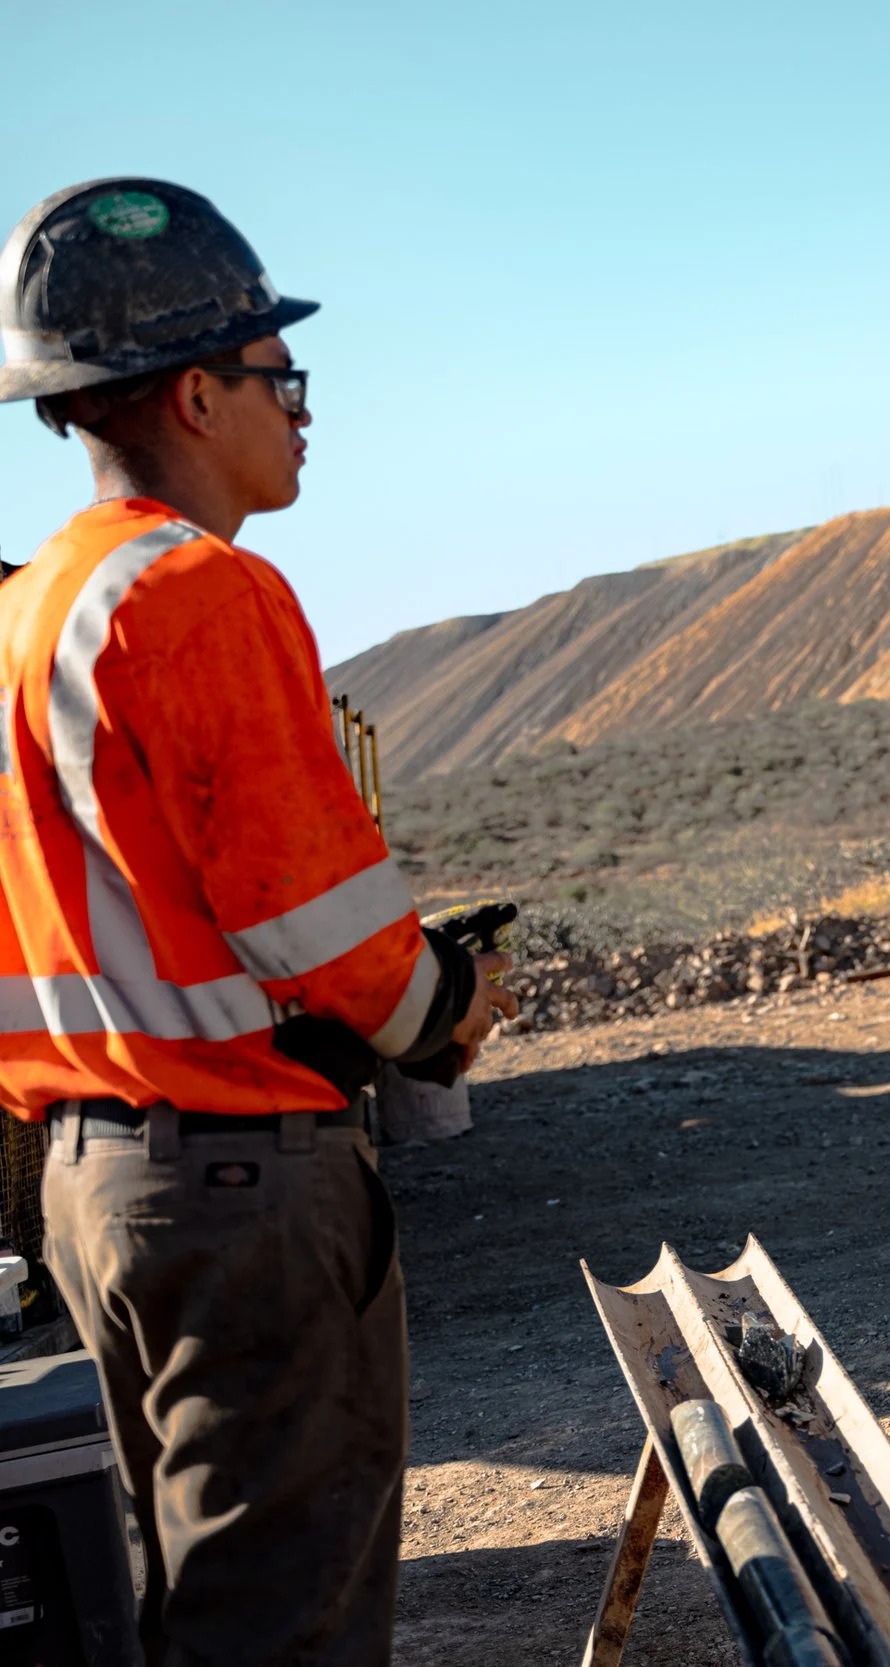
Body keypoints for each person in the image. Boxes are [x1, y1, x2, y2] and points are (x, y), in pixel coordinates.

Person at [0, 178, 515, 1663]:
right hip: (239, 1187)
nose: (302, 410)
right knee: (284, 1623)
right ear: (197, 390)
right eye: (281, 378)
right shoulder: (199, 591)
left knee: (192, 1604)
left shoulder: (35, 608)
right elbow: (318, 916)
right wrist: (446, 1007)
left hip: (96, 1188)